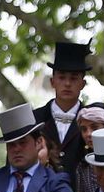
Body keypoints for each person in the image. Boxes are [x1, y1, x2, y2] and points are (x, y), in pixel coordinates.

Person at [33, 40, 94, 179]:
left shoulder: (93, 120)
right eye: (61, 77)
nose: (67, 83)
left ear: (83, 84)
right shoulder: (34, 119)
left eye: (73, 78)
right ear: (52, 81)